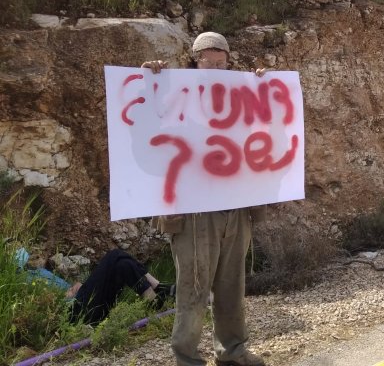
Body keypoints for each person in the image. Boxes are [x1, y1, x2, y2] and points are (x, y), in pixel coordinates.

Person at [143, 32, 267, 366]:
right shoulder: (177, 95)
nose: (214, 67)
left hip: (235, 209)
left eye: (220, 61)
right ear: (194, 62)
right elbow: (149, 121)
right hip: (196, 213)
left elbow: (264, 128)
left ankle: (233, 351)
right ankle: (187, 359)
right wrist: (149, 81)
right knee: (193, 290)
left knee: (231, 287)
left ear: (228, 62)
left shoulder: (239, 97)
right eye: (206, 61)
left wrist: (260, 87)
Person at [15, 247, 174, 325]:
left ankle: (154, 301)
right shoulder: (20, 282)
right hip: (77, 310)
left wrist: (72, 287)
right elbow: (43, 306)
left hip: (83, 298)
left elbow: (64, 288)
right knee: (115, 254)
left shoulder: (37, 272)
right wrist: (67, 296)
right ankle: (157, 288)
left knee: (122, 265)